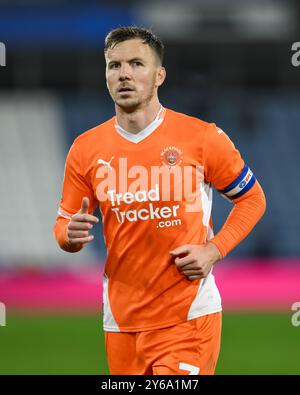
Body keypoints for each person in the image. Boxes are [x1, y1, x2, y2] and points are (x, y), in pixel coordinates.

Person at [53, 26, 266, 375]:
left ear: (159, 75)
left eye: (137, 63)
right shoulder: (85, 149)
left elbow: (253, 199)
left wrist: (213, 251)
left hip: (188, 317)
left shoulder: (202, 138)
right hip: (121, 322)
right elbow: (63, 226)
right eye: (114, 65)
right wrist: (69, 237)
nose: (124, 74)